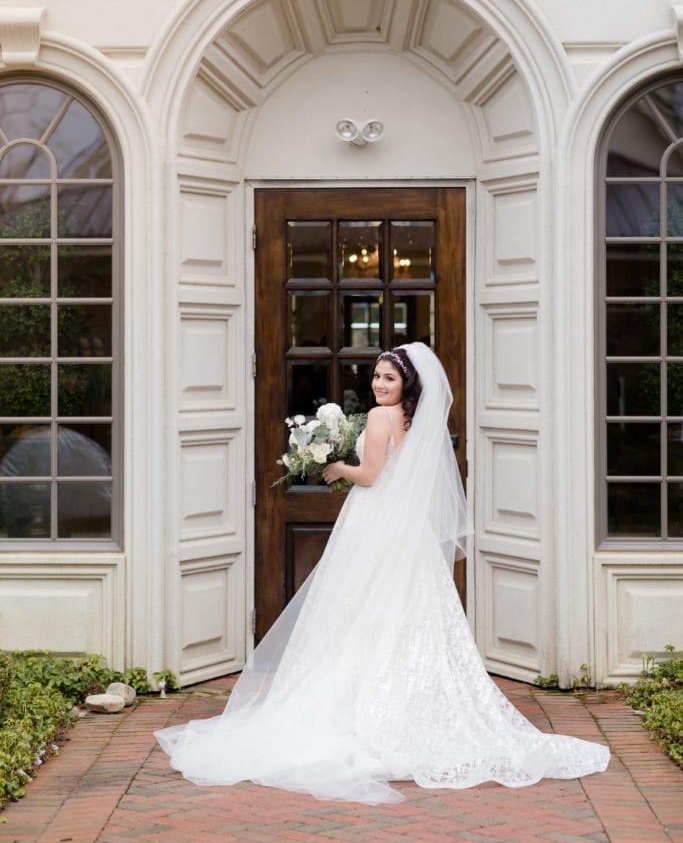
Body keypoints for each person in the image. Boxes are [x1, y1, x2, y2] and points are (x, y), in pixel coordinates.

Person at [155, 342, 609, 805]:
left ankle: (361, 708)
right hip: (407, 526)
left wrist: (335, 467)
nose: (378, 384)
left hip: (375, 521)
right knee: (407, 613)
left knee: (358, 610)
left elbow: (371, 475)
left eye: (389, 378)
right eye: (375, 376)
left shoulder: (378, 417)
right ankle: (408, 707)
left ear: (406, 383)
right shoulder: (417, 420)